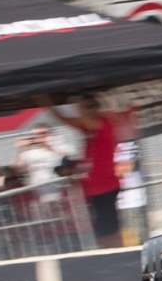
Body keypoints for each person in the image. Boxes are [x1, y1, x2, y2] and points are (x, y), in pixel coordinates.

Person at [44, 93, 125, 248]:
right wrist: (46, 104)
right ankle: (110, 255)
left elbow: (84, 120)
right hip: (94, 189)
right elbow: (65, 120)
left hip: (105, 187)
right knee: (101, 230)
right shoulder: (88, 127)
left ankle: (118, 256)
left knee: (109, 229)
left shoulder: (103, 123)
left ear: (96, 108)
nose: (83, 110)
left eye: (88, 106)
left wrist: (78, 103)